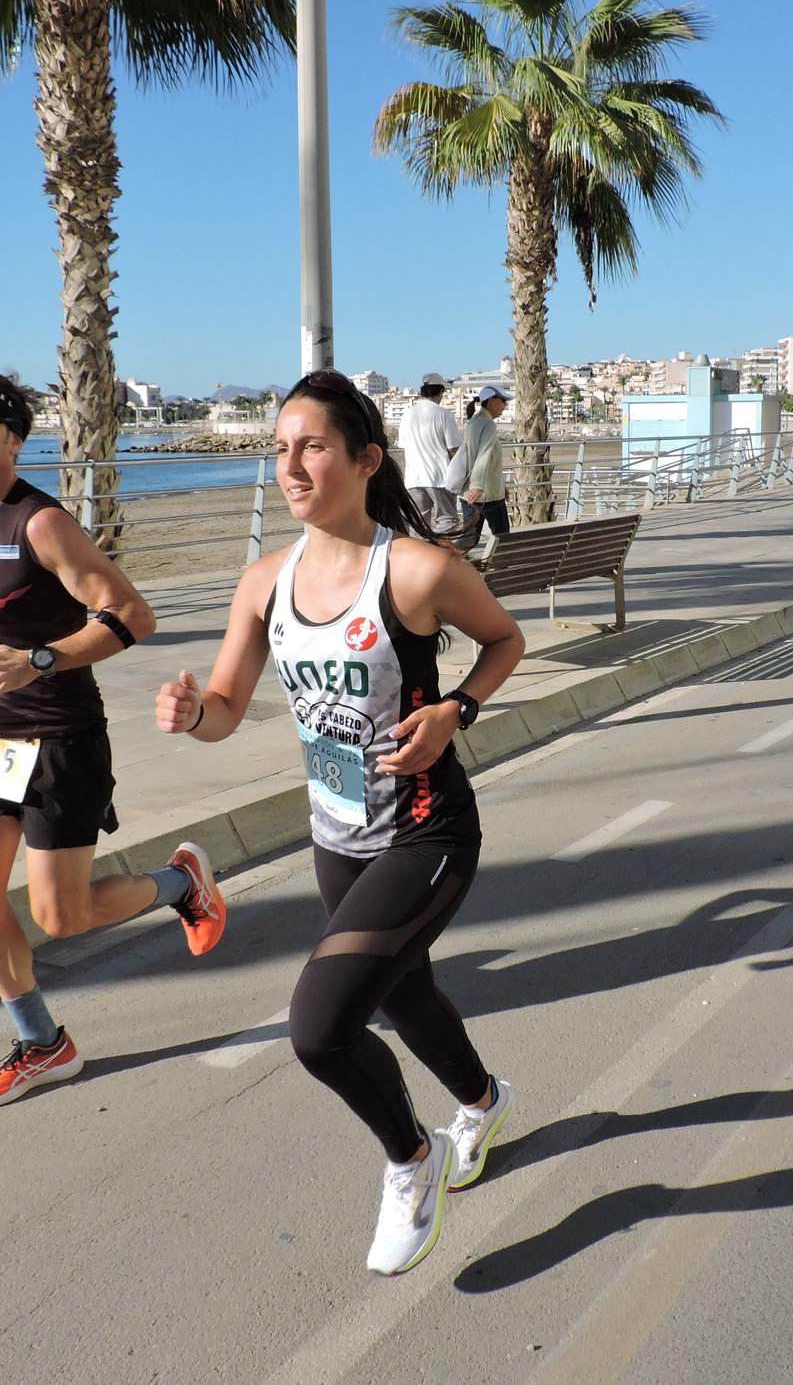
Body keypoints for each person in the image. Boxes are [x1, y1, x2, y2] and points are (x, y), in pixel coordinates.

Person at [156, 369, 526, 1276]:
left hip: (427, 834)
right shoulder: (262, 584)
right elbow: (229, 707)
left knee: (320, 1027)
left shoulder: (418, 569)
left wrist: (458, 713)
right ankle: (480, 1101)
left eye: (311, 446)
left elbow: (506, 640)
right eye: (279, 450)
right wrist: (190, 710)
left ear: (365, 460)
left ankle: (413, 1158)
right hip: (336, 837)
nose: (290, 466)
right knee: (403, 995)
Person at [0, 370, 226, 1109]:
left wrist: (40, 660)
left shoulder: (41, 523)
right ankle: (42, 1043)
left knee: (61, 918)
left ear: (13, 439)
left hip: (62, 737)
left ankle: (181, 885)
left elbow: (132, 613)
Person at [397, 375, 463, 536]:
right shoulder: (443, 414)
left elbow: (403, 449)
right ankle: (442, 552)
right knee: (447, 519)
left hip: (413, 478)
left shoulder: (407, 415)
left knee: (417, 523)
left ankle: (420, 556)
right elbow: (454, 449)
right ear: (440, 392)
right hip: (439, 477)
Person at [453, 383, 511, 545]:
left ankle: (452, 567)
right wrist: (477, 485)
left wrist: (501, 485)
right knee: (503, 538)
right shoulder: (488, 424)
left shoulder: (474, 421)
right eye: (504, 401)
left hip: (471, 494)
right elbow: (484, 455)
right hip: (488, 494)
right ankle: (502, 569)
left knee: (468, 539)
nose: (505, 406)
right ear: (492, 401)